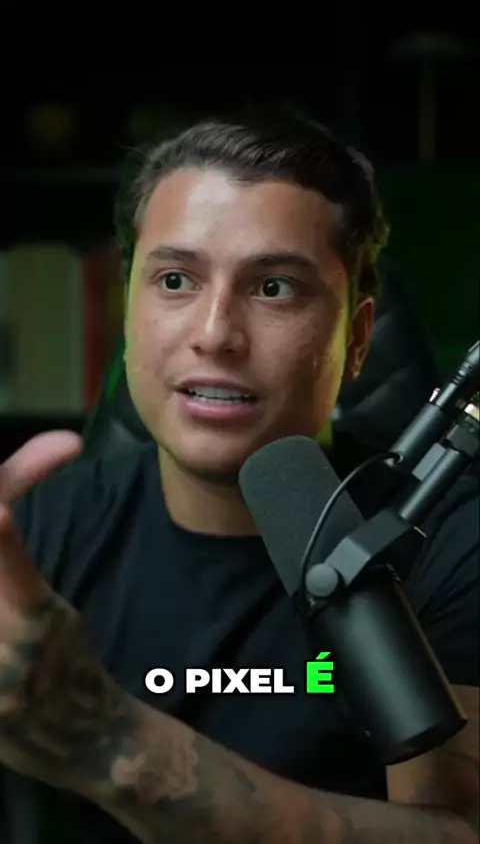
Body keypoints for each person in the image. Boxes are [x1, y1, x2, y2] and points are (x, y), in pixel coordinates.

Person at [0, 108, 478, 844]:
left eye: (274, 288)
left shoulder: (449, 541)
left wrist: (114, 742)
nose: (216, 333)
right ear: (128, 312)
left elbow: (456, 832)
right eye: (175, 280)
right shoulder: (31, 534)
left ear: (356, 339)